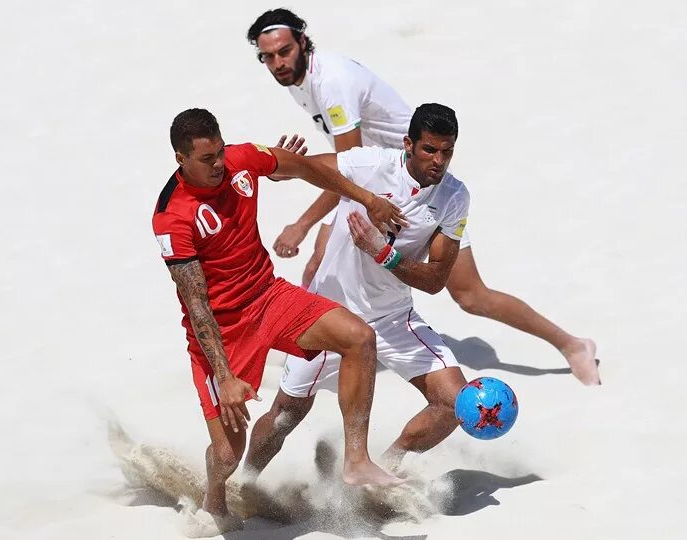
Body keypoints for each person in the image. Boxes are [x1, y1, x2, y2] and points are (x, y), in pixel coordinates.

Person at [245, 8, 600, 385]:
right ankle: (305, 348)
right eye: (267, 56)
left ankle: (572, 344)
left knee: (469, 296)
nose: (277, 62)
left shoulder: (331, 82)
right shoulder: (303, 81)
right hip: (386, 185)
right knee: (321, 263)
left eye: (284, 51)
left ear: (302, 42)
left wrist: (301, 224)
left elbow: (343, 175)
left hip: (416, 186)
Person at [151, 109, 405, 526]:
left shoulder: (242, 159)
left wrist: (369, 199)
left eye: (220, 152)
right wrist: (225, 376)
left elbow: (307, 168)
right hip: (221, 331)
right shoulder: (172, 216)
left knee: (358, 337)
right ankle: (215, 499)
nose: (218, 165)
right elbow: (197, 307)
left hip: (269, 296)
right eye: (206, 159)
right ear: (180, 159)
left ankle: (356, 458)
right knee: (228, 454)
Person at [245, 103, 477, 477]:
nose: (439, 160)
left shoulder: (454, 197)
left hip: (392, 315)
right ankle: (246, 482)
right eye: (429, 149)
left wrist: (384, 254)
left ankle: (385, 469)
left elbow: (435, 281)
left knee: (455, 404)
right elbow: (309, 169)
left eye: (447, 151)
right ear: (408, 144)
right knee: (286, 415)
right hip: (329, 314)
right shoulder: (372, 164)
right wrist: (277, 170)